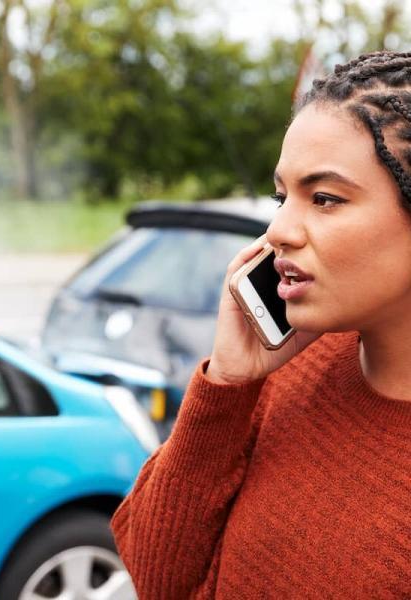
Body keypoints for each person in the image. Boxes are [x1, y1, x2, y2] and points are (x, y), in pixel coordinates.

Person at [111, 50, 411, 599]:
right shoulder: (290, 366)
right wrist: (227, 383)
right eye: (282, 196)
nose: (279, 231)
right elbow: (157, 579)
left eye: (324, 198)